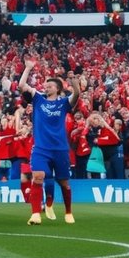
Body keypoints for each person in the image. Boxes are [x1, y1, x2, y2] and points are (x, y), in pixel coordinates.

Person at [18, 57, 82, 226]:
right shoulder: (38, 99)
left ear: (58, 89)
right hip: (41, 148)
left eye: (50, 86)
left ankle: (68, 212)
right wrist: (28, 68)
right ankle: (35, 215)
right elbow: (21, 86)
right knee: (38, 177)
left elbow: (76, 95)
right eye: (45, 85)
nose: (46, 87)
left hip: (60, 149)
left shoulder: (63, 103)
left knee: (63, 182)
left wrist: (73, 82)